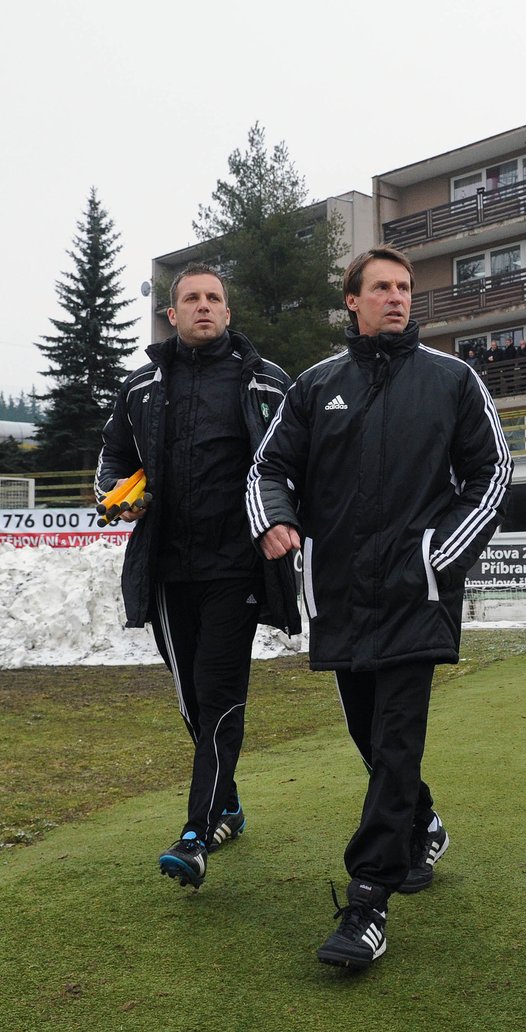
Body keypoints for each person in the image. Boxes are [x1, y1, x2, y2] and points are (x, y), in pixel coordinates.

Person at [246, 246, 512, 969]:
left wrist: (437, 557)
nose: (397, 298)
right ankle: (421, 820)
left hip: (415, 595)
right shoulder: (315, 385)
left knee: (396, 741)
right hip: (338, 596)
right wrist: (274, 517)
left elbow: (493, 475)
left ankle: (367, 901)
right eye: (382, 288)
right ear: (353, 302)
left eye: (405, 288)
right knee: (370, 738)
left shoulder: (454, 380)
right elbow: (269, 466)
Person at [96, 263, 300, 890]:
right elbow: (112, 462)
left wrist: (282, 519)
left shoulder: (269, 383)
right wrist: (116, 496)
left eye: (214, 298)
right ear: (172, 314)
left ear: (228, 313)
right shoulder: (138, 389)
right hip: (167, 570)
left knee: (217, 694)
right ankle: (227, 804)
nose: (204, 306)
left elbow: (296, 460)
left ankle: (195, 835)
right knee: (192, 699)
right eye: (192, 298)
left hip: (235, 567)